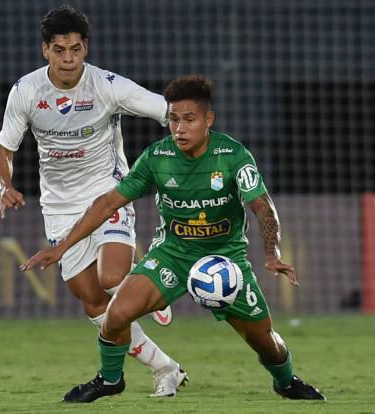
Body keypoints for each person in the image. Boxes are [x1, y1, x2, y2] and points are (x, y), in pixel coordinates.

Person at [22, 75, 326, 403]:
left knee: (264, 341)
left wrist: (271, 252)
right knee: (116, 315)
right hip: (172, 255)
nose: (179, 128)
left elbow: (263, 208)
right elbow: (107, 203)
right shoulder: (157, 158)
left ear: (208, 119)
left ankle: (285, 381)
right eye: (173, 120)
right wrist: (62, 247)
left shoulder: (233, 156)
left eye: (189, 120)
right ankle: (110, 379)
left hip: (225, 261)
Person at [0, 5, 186, 397]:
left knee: (112, 278)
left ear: (86, 49)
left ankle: (153, 289)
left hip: (108, 189)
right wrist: (4, 185)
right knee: (94, 303)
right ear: (45, 49)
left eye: (76, 50)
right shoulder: (27, 91)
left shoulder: (107, 86)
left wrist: (192, 149)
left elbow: (168, 112)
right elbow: (3, 150)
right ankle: (166, 367)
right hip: (59, 207)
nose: (68, 59)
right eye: (60, 50)